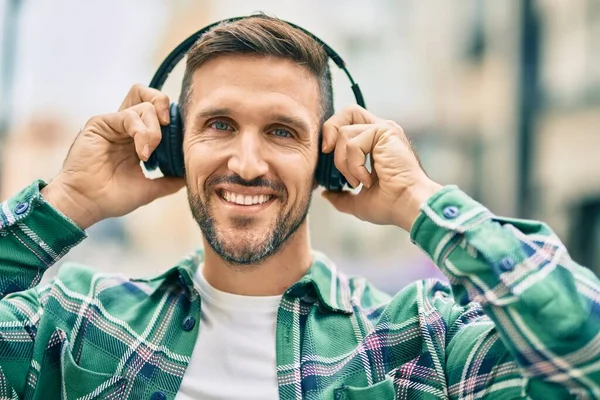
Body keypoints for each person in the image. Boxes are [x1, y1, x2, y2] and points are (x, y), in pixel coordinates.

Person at [0, 15, 599, 400]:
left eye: (283, 132)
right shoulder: (73, 327)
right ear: (176, 144)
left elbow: (586, 366)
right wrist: (66, 204)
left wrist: (420, 201)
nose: (248, 162)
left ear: (329, 157)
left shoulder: (425, 344)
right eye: (219, 125)